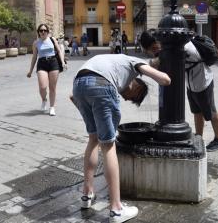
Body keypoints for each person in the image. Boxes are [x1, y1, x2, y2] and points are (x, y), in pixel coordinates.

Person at [71, 54, 171, 223]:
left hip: (78, 84)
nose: (125, 98)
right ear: (137, 86)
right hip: (101, 84)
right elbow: (165, 80)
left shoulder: (114, 63)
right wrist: (166, 77)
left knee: (93, 139)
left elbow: (73, 97)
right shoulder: (133, 62)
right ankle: (116, 209)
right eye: (131, 97)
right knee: (108, 146)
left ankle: (86, 195)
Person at [140, 31, 218, 152]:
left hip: (202, 81)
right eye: (150, 50)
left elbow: (167, 59)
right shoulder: (169, 45)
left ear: (158, 40)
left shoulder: (180, 45)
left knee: (211, 111)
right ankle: (199, 138)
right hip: (191, 83)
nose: (154, 51)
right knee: (197, 111)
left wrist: (154, 62)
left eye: (154, 48)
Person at [27, 24, 66, 116]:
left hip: (53, 62)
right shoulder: (36, 43)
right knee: (43, 86)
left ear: (48, 32)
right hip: (42, 63)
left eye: (45, 30)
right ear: (38, 32)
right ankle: (44, 100)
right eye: (41, 30)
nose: (43, 32)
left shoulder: (52, 39)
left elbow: (59, 51)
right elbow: (34, 57)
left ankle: (52, 107)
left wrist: (63, 62)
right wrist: (30, 71)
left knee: (52, 88)